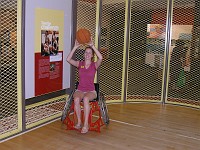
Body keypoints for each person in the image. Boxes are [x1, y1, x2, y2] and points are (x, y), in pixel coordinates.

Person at [66, 38, 103, 134]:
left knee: (86, 99)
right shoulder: (80, 64)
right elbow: (68, 59)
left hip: (91, 91)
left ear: (92, 55)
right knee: (77, 99)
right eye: (86, 52)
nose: (87, 54)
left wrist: (92, 46)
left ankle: (85, 124)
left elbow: (101, 58)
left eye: (89, 53)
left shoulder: (94, 65)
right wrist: (75, 47)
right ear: (83, 54)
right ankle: (79, 122)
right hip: (80, 89)